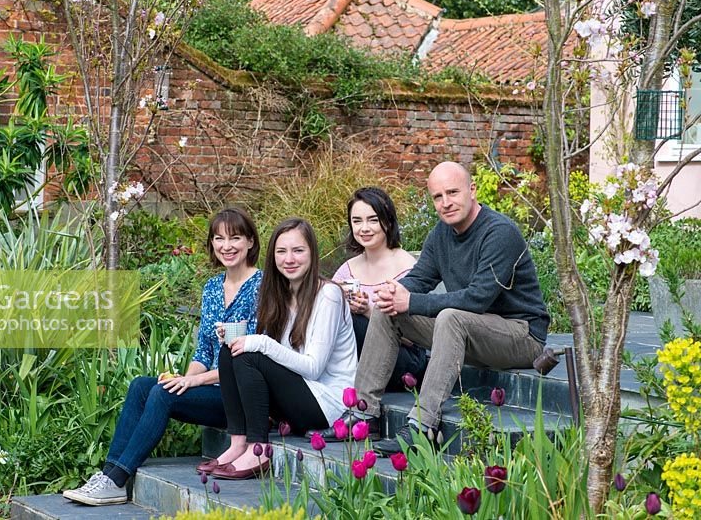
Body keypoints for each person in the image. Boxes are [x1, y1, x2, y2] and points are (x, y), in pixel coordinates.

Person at [318, 162, 550, 454]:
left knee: (451, 317)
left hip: (522, 336)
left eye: (452, 192)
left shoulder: (499, 232)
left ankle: (423, 426)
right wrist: (395, 292)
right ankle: (365, 412)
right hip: (474, 332)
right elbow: (419, 278)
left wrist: (412, 301)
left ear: (472, 190)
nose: (446, 202)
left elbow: (477, 299)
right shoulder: (441, 235)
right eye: (438, 197)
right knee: (389, 309)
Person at [63, 207, 262, 506]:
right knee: (143, 385)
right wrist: (183, 379)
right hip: (212, 389)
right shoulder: (211, 288)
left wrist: (193, 383)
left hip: (242, 399)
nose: (227, 246)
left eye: (235, 237)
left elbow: (252, 359)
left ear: (250, 242)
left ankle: (117, 479)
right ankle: (108, 476)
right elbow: (204, 351)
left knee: (162, 395)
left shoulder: (262, 287)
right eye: (219, 238)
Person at [208, 218, 357, 480]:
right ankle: (238, 443)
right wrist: (240, 336)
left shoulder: (329, 295)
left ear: (312, 252)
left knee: (251, 353)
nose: (289, 259)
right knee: (230, 350)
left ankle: (260, 449)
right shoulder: (281, 296)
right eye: (281, 251)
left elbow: (313, 367)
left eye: (298, 250)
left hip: (328, 406)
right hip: (299, 397)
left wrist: (260, 342)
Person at [332, 187, 427, 392]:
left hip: (404, 359)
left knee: (355, 321)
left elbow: (416, 337)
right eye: (357, 221)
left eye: (373, 220)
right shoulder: (346, 270)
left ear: (388, 221)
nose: (364, 228)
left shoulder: (408, 268)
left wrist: (367, 311)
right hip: (358, 358)